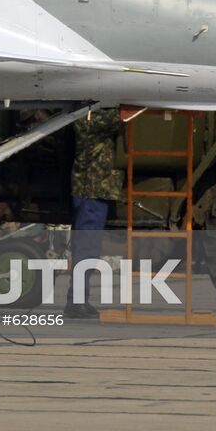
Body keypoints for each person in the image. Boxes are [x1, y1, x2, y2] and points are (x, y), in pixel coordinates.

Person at [65, 108, 123, 320]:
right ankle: (75, 301)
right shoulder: (89, 117)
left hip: (96, 189)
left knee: (89, 248)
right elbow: (97, 123)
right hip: (91, 189)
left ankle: (79, 299)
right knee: (86, 247)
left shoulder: (95, 115)